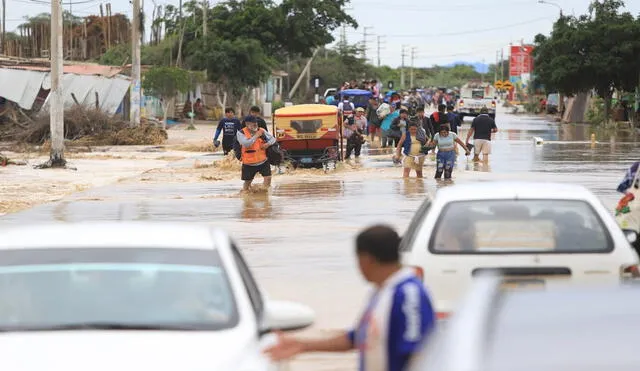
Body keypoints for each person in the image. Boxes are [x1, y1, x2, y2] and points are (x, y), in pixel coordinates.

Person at [264, 225, 436, 371]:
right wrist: (302, 345)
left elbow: (418, 352)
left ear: (366, 260)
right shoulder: (381, 291)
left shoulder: (408, 294)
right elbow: (357, 338)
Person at [236, 116, 276, 191]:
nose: (255, 124)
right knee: (248, 182)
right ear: (247, 124)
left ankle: (264, 195)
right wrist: (256, 136)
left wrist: (268, 144)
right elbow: (246, 144)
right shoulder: (241, 133)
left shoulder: (261, 130)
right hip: (249, 163)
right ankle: (246, 197)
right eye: (253, 123)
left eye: (256, 123)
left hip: (263, 161)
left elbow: (273, 139)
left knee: (268, 178)